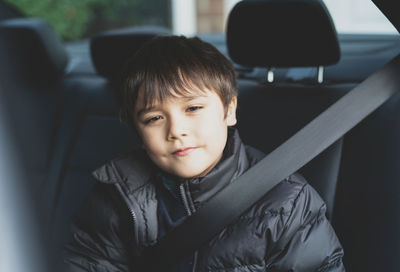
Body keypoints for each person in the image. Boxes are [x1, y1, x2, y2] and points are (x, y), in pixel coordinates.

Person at [64, 35, 345, 272]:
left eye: (193, 108)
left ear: (230, 110)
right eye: (154, 118)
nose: (176, 130)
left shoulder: (287, 204)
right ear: (138, 130)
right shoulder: (117, 197)